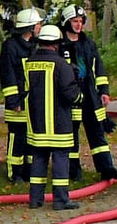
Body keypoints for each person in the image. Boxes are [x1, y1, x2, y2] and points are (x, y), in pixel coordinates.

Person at [59, 4, 117, 181]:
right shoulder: (60, 45)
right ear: (66, 22)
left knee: (97, 132)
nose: (78, 25)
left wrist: (104, 91)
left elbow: (98, 68)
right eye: (75, 21)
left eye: (81, 21)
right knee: (71, 135)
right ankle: (74, 172)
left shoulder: (88, 43)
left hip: (90, 94)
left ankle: (107, 167)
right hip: (70, 96)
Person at [25, 24, 82, 210]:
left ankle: (35, 199)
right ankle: (60, 200)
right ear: (57, 44)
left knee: (39, 159)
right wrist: (80, 94)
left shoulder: (30, 62)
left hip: (36, 124)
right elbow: (70, 95)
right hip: (58, 124)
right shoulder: (61, 65)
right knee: (60, 160)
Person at [0, 7, 42, 183]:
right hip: (17, 103)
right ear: (30, 27)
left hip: (32, 102)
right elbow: (7, 75)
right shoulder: (11, 47)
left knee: (31, 139)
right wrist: (14, 101)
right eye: (38, 24)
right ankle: (14, 174)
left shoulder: (34, 47)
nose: (40, 27)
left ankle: (28, 172)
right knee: (17, 138)